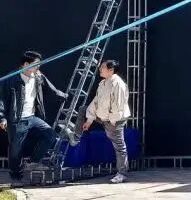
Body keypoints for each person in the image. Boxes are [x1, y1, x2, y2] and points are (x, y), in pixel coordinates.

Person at [0, 50, 68, 181]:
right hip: (16, 120)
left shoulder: (37, 76)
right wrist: (2, 118)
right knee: (15, 151)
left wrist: (63, 95)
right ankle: (16, 177)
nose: (38, 67)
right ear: (26, 64)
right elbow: (1, 99)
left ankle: (33, 162)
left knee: (50, 135)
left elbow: (50, 88)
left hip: (32, 118)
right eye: (36, 64)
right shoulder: (11, 79)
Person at [83, 59, 132, 183]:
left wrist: (113, 120)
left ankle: (122, 173)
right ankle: (75, 136)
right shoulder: (103, 83)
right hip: (103, 117)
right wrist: (89, 120)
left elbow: (119, 104)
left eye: (103, 67)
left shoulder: (118, 84)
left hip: (114, 119)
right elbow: (96, 101)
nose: (100, 69)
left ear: (111, 70)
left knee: (119, 146)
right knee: (82, 110)